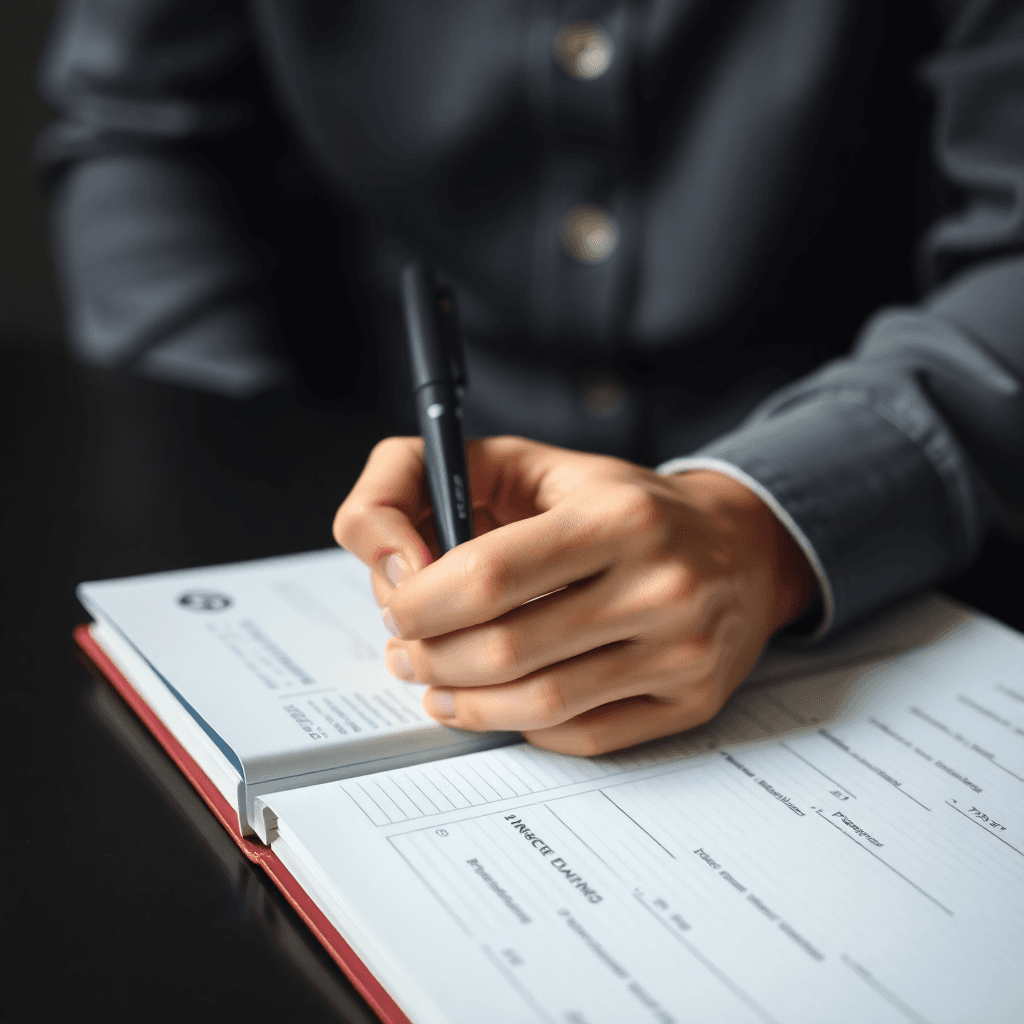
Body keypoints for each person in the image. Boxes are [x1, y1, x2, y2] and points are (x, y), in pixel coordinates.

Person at [40, 1, 1024, 755]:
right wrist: (255, 464)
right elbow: (141, 135)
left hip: (909, 529)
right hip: (345, 470)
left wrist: (761, 522)